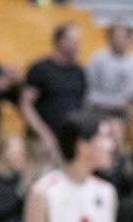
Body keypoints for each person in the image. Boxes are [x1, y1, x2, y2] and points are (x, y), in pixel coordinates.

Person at [21, 24, 87, 161]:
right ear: (60, 41)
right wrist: (45, 135)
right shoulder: (40, 69)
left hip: (68, 140)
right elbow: (26, 106)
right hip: (41, 140)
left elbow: (81, 107)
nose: (78, 46)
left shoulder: (79, 72)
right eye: (74, 41)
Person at [85, 23, 133, 119]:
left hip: (126, 115)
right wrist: (111, 104)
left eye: (125, 37)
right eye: (118, 37)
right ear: (110, 38)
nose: (122, 40)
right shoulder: (98, 60)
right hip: (101, 114)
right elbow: (89, 92)